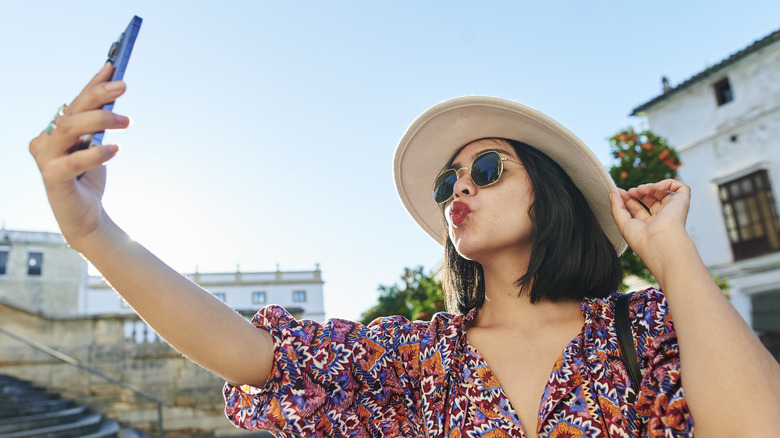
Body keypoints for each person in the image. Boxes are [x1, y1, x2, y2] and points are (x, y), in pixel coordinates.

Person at [29, 64, 780, 438]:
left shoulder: (647, 328)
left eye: (487, 169)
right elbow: (257, 353)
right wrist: (94, 233)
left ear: (548, 190)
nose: (459, 187)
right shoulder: (421, 356)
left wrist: (671, 253)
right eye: (446, 183)